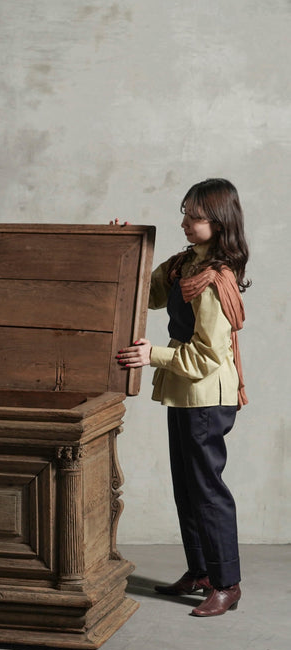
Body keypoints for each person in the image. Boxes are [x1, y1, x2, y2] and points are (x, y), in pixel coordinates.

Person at [116, 178, 250, 617]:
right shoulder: (184, 264)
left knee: (207, 490)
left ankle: (228, 583)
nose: (186, 223)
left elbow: (210, 355)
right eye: (186, 213)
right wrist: (121, 246)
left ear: (219, 222)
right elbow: (146, 294)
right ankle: (201, 572)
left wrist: (150, 355)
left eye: (196, 216)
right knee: (186, 488)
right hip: (185, 393)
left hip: (206, 397)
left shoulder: (214, 278)